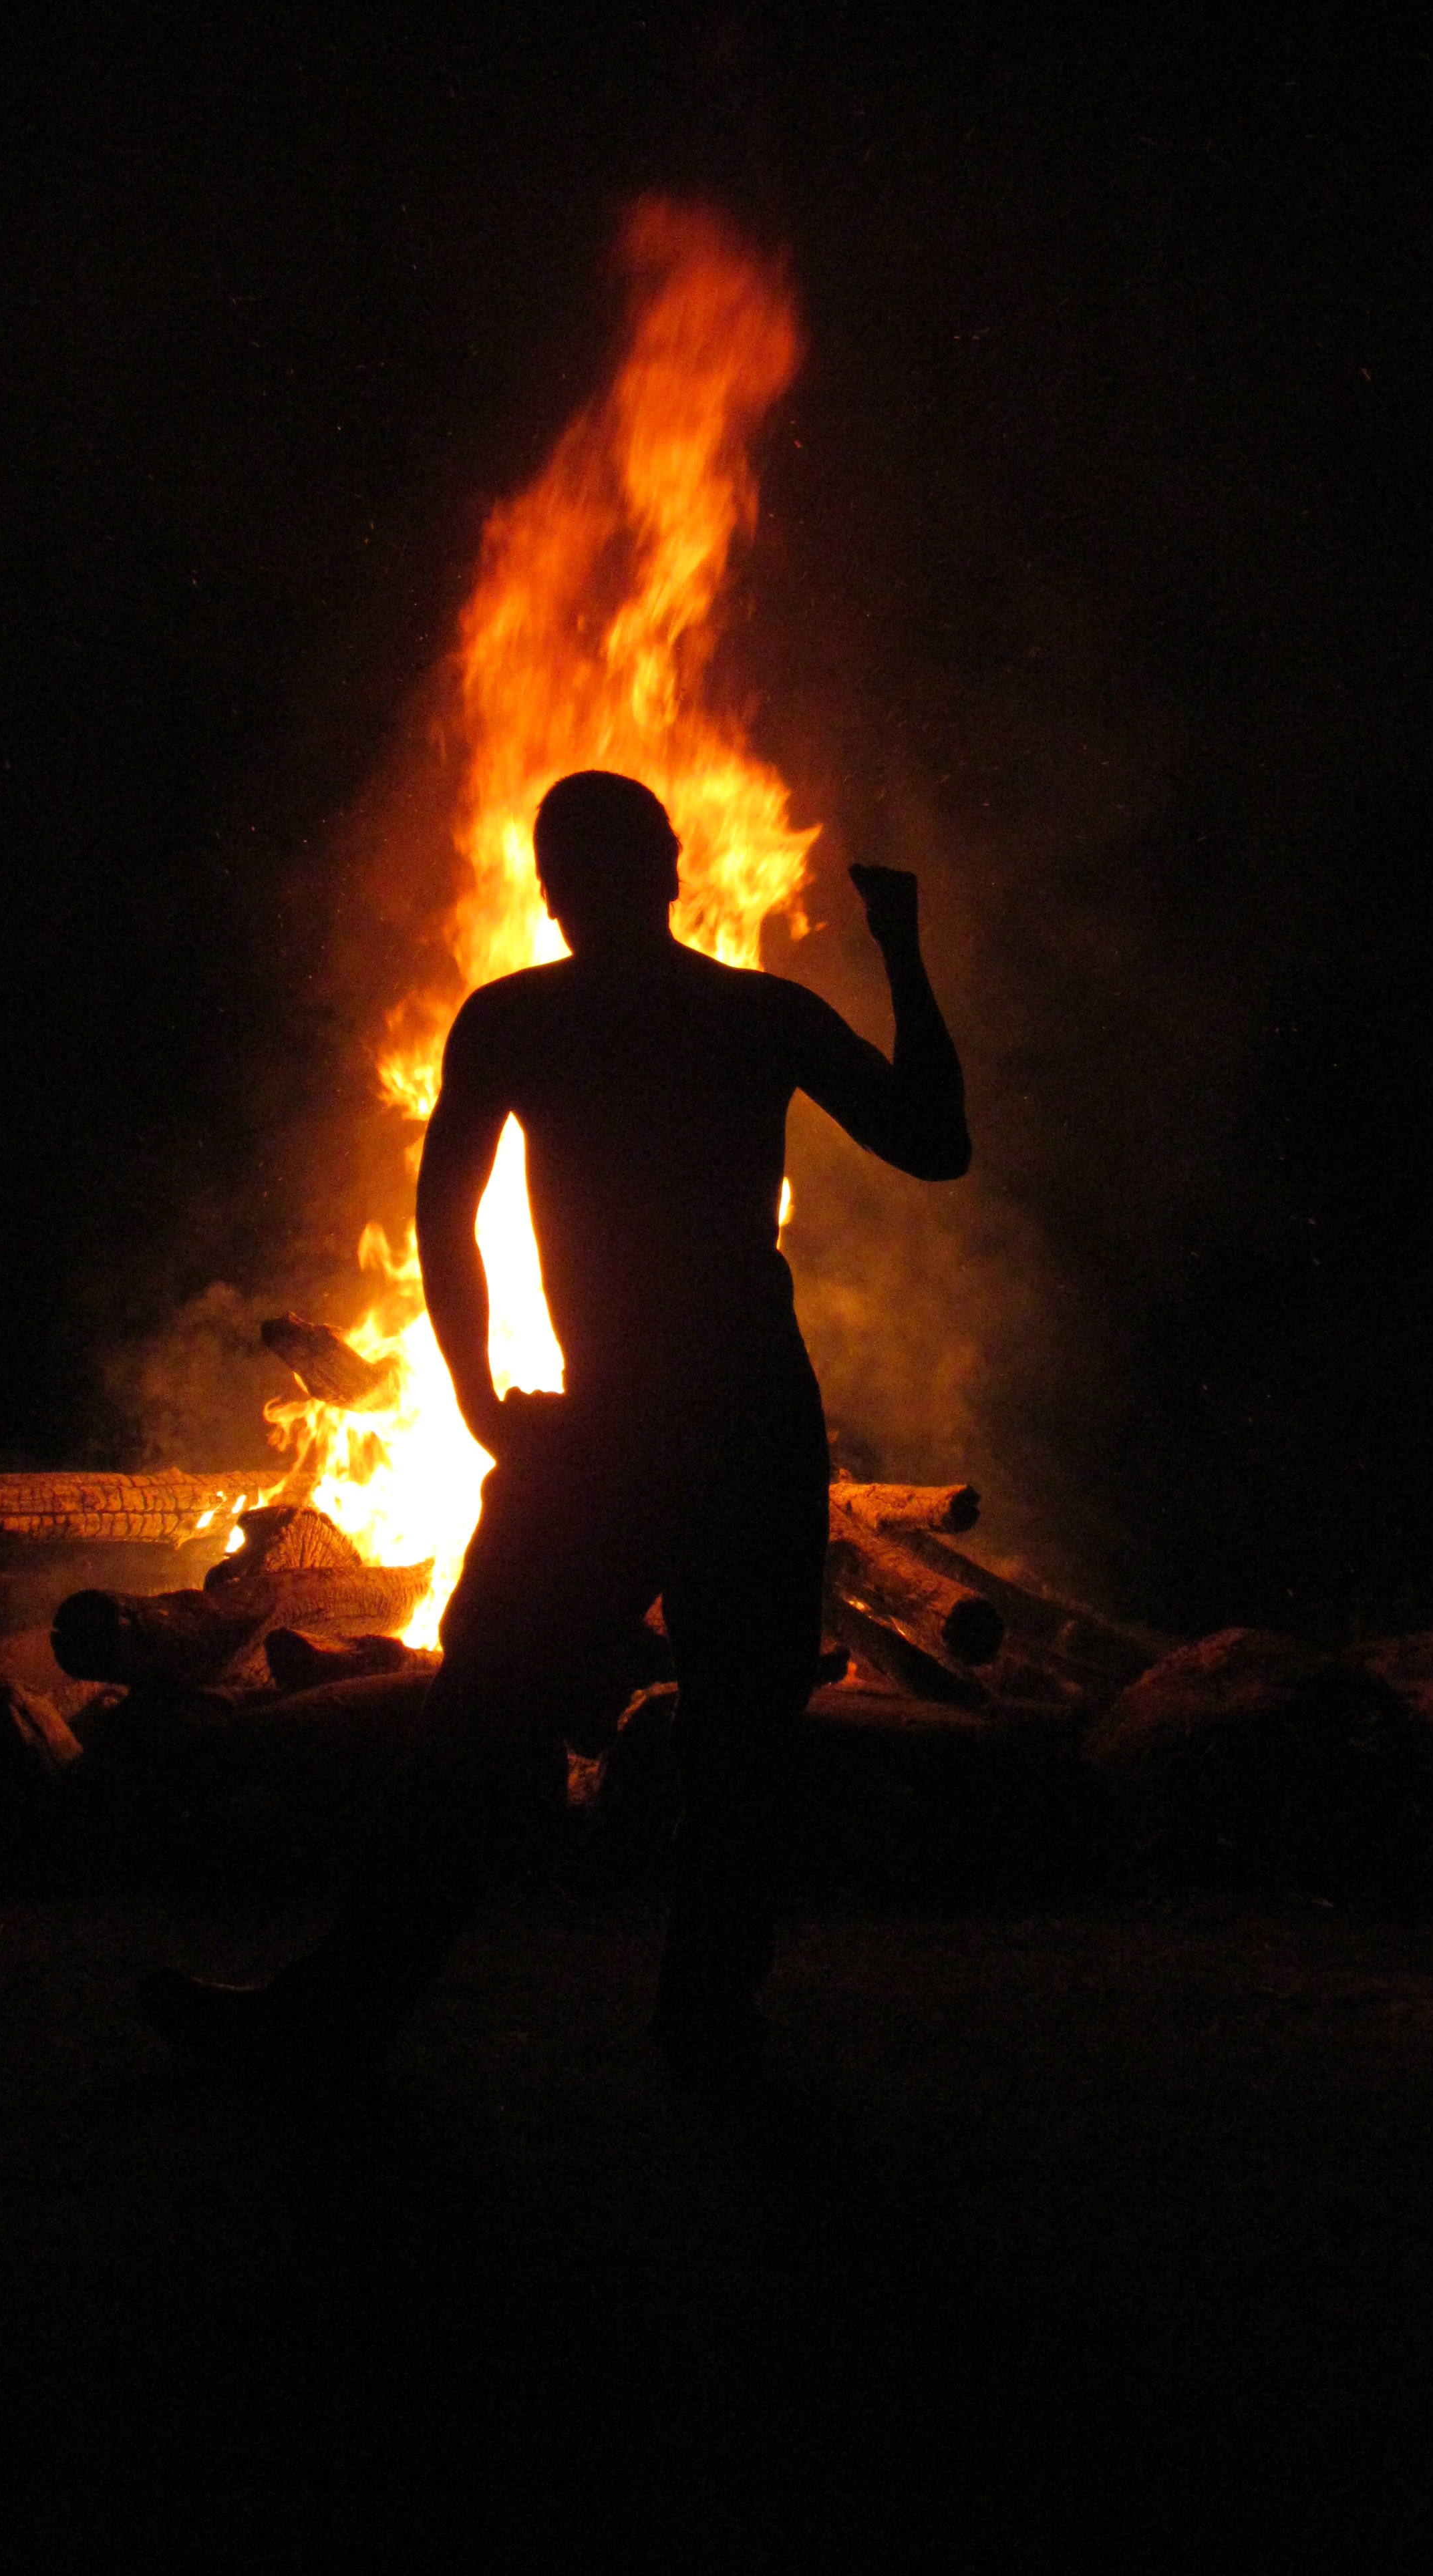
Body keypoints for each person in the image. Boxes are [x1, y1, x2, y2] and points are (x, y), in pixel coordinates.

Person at [142, 770, 969, 2080]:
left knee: (487, 1725)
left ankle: (356, 2010)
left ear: (559, 890)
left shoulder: (525, 1018)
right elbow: (935, 1141)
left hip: (618, 1426)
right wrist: (902, 952)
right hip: (739, 1416)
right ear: (672, 871)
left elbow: (446, 1215)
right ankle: (697, 2022)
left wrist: (483, 1398)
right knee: (727, 1738)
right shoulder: (753, 1015)